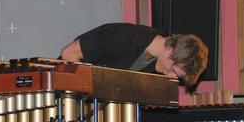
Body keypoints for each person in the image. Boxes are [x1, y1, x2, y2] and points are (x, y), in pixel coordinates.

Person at [60, 22, 208, 88]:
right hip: (59, 97)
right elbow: (68, 54)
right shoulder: (122, 37)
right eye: (174, 71)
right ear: (170, 50)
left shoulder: (154, 63)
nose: (172, 77)